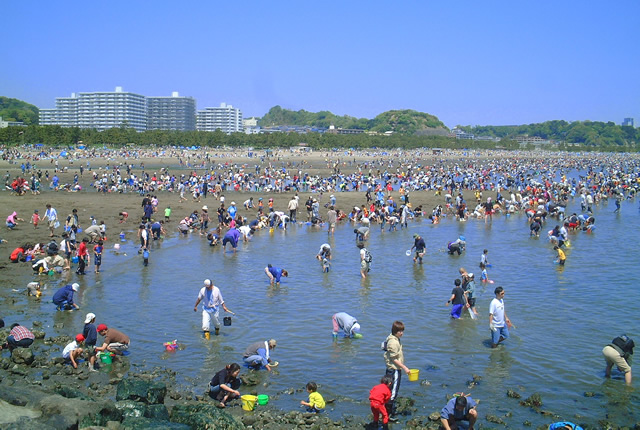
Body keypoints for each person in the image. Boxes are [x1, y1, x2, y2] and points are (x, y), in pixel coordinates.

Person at [383, 321, 411, 422]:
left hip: (391, 369)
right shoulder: (393, 342)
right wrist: (405, 367)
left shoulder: (393, 338)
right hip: (394, 369)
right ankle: (389, 414)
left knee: (388, 389)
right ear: (395, 331)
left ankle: (387, 409)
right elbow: (394, 359)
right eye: (400, 331)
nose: (402, 333)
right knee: (393, 391)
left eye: (402, 331)